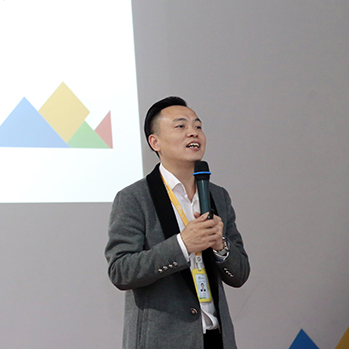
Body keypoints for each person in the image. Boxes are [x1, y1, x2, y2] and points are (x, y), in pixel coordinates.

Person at [105, 96, 250, 349]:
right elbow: (121, 271)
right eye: (181, 126)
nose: (193, 132)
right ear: (155, 142)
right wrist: (182, 245)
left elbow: (240, 275)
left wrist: (220, 245)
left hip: (215, 338)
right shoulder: (134, 198)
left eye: (198, 126)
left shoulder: (217, 196)